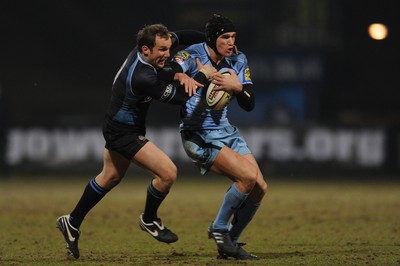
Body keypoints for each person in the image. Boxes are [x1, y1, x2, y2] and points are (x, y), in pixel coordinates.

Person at [56, 24, 216, 259]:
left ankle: (72, 221)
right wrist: (202, 74)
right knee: (167, 173)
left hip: (117, 125)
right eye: (162, 50)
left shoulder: (148, 53)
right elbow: (180, 97)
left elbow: (182, 36)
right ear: (145, 50)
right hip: (123, 132)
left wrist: (210, 44)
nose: (167, 54)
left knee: (110, 177)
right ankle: (149, 219)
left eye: (168, 48)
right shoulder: (141, 76)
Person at [171, 14, 268, 260]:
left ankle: (230, 245)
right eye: (225, 37)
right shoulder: (192, 55)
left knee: (259, 188)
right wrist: (184, 75)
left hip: (227, 131)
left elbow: (249, 103)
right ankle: (219, 228)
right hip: (198, 133)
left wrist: (237, 89)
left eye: (233, 36)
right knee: (246, 178)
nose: (230, 42)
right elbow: (170, 72)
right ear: (213, 39)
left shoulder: (238, 58)